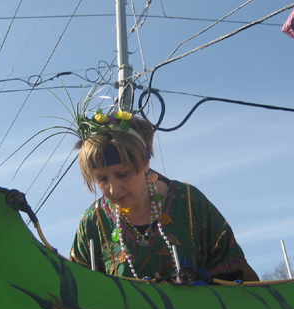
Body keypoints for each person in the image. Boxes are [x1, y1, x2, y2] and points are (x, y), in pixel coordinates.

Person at [70, 111, 259, 282]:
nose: (114, 190)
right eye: (102, 179)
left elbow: (233, 272)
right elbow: (77, 288)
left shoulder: (189, 202)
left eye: (122, 174)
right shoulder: (94, 221)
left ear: (145, 164)